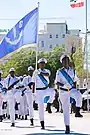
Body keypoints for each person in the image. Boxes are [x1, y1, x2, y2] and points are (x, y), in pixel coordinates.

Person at [55, 54, 83, 134]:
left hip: (71, 90)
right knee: (66, 110)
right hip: (63, 91)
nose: (66, 62)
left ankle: (77, 111)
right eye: (64, 60)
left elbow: (75, 80)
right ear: (62, 62)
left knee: (78, 95)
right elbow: (57, 82)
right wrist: (63, 85)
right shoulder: (59, 72)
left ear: (69, 61)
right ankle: (67, 127)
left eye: (67, 60)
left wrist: (75, 87)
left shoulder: (73, 70)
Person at [33, 58, 54, 129]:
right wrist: (33, 93)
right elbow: (33, 82)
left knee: (52, 92)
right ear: (39, 64)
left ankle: (49, 104)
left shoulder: (47, 70)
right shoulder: (35, 72)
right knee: (41, 108)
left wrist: (41, 73)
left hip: (46, 89)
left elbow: (47, 75)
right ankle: (42, 123)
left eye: (43, 63)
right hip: (39, 91)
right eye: (41, 63)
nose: (42, 64)